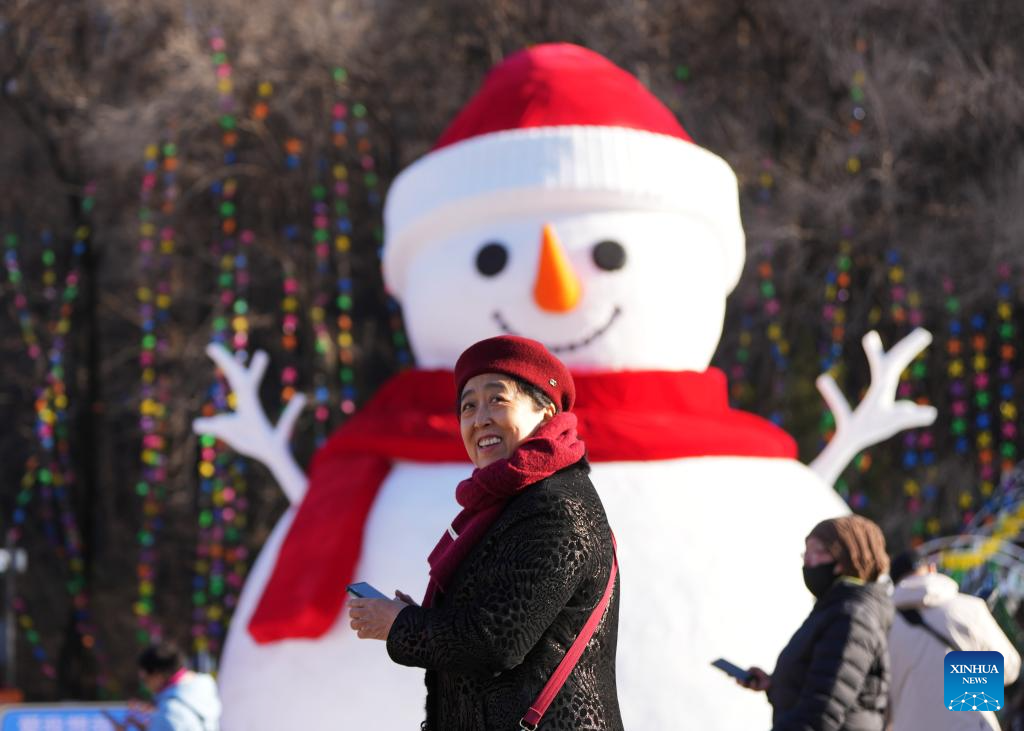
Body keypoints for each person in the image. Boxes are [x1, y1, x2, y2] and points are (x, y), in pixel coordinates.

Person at [347, 334, 622, 730]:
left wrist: (397, 625)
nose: (480, 419)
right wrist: (415, 616)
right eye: (468, 406)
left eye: (498, 399)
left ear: (545, 412)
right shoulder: (506, 502)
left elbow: (496, 640)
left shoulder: (556, 505)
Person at [739, 515, 893, 730]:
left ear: (844, 559)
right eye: (806, 552)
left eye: (816, 552)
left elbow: (822, 712)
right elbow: (825, 683)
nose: (807, 561)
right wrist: (774, 684)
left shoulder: (852, 618)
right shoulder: (835, 607)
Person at [887, 548, 1021, 731]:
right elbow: (1009, 668)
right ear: (932, 569)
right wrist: (958, 678)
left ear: (895, 583)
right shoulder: (968, 608)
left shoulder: (883, 629)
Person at [107, 642, 221, 731]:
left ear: (158, 676)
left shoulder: (170, 712)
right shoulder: (204, 687)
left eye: (145, 679)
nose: (145, 686)